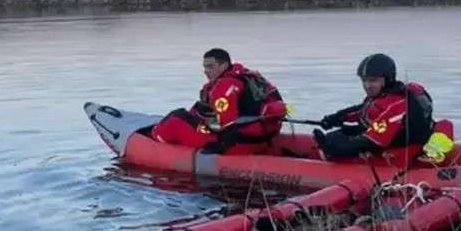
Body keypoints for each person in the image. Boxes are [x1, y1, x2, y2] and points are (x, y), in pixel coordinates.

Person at [151, 48, 286, 153]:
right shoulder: (251, 77)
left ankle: (153, 143)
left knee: (176, 117)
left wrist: (219, 147)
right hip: (265, 136)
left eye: (210, 67)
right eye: (204, 67)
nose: (206, 71)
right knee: (198, 110)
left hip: (239, 144)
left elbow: (227, 123)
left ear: (224, 65)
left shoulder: (224, 86)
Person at [314, 53, 444, 162]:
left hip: (400, 146)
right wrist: (335, 118)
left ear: (387, 79)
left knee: (338, 141)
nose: (367, 85)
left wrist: (332, 148)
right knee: (340, 134)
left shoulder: (397, 104)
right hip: (389, 137)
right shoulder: (382, 96)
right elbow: (362, 110)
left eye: (373, 80)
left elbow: (373, 140)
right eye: (364, 80)